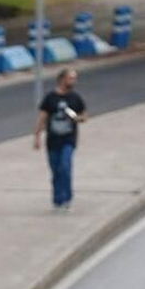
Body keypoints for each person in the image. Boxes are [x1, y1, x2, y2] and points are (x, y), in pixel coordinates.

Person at [34, 66, 86, 208]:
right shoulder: (50, 98)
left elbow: (84, 114)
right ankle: (57, 198)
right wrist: (37, 136)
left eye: (74, 78)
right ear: (62, 79)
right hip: (52, 140)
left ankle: (67, 196)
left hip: (68, 139)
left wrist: (78, 118)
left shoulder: (75, 98)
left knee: (65, 166)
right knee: (56, 169)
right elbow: (42, 118)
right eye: (70, 78)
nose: (73, 81)